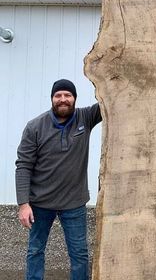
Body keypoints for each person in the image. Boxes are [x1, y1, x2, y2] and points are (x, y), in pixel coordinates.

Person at [15, 79, 102, 280]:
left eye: (68, 95)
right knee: (35, 250)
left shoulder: (86, 117)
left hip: (74, 203)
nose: (63, 99)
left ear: (75, 98)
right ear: (52, 99)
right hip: (40, 203)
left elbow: (111, 99)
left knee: (80, 255)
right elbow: (23, 165)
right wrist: (23, 204)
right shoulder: (35, 126)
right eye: (58, 95)